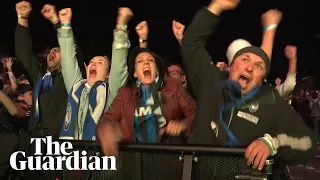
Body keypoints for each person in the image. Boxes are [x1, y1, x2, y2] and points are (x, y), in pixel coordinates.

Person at [181, 0, 316, 175]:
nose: (250, 67)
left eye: (258, 66)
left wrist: (272, 143)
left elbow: (308, 143)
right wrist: (216, 6)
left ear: (261, 79)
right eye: (244, 60)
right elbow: (191, 44)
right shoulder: (210, 81)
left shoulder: (271, 101)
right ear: (231, 67)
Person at [96, 46, 196, 156]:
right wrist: (106, 128)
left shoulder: (172, 86)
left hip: (168, 157)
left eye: (150, 60)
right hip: (136, 159)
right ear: (135, 73)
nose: (146, 63)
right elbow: (108, 118)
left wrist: (182, 124)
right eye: (140, 61)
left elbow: (195, 113)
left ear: (157, 70)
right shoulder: (125, 93)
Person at [57, 7, 132, 140]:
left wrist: (121, 28)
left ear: (108, 75)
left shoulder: (110, 93)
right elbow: (68, 61)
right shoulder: (76, 88)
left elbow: (119, 66)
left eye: (100, 63)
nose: (93, 64)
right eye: (91, 62)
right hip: (71, 156)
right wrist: (65, 26)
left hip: (98, 156)